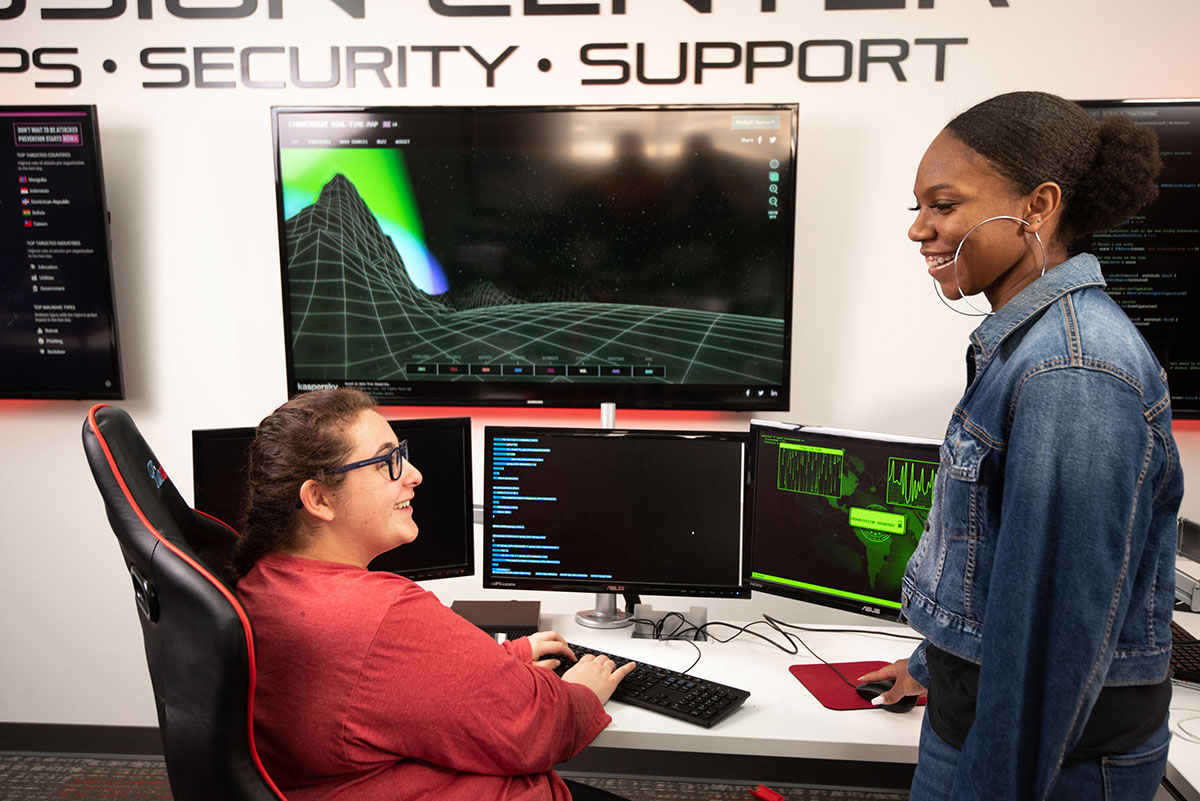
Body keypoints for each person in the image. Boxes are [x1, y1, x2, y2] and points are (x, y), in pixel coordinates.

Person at [858, 91, 1183, 800]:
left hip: (1045, 759)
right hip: (974, 717)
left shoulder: (1072, 370)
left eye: (942, 204)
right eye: (916, 207)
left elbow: (1047, 647)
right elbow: (997, 567)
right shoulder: (1031, 347)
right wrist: (932, 660)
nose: (919, 229)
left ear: (1038, 206)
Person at [232, 388, 636, 801]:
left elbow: (389, 692)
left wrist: (508, 658)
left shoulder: (262, 581)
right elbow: (539, 730)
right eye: (387, 461)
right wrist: (583, 691)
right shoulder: (382, 614)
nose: (413, 474)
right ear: (318, 498)